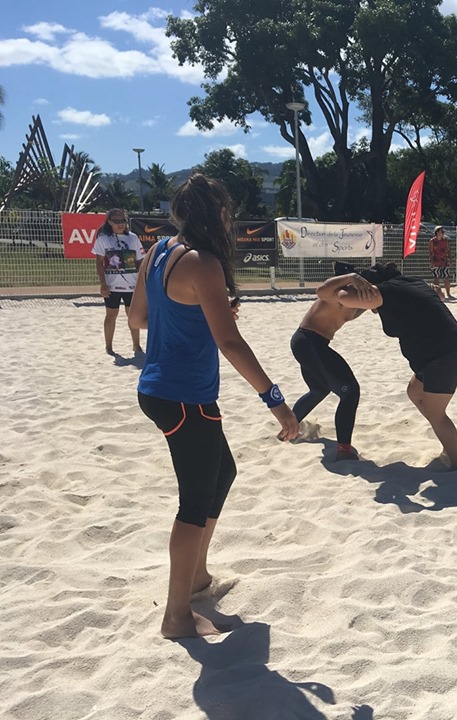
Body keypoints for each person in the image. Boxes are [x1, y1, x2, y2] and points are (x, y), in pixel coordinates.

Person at [129, 173, 299, 639]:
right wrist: (277, 402)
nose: (230, 218)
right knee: (194, 502)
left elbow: (139, 316)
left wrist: (198, 310)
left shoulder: (158, 251)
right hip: (185, 396)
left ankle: (198, 578)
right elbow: (229, 341)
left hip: (161, 390)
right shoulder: (202, 263)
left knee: (223, 472)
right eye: (226, 210)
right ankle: (177, 615)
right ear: (215, 213)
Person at [336, 264, 457, 469]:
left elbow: (343, 297)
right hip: (440, 353)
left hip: (445, 356)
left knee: (436, 414)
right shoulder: (412, 281)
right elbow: (438, 296)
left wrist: (352, 280)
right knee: (414, 392)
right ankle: (449, 442)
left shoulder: (387, 292)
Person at [289, 262, 368, 462]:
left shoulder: (350, 301)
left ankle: (287, 428)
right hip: (308, 341)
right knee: (350, 391)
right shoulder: (332, 294)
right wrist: (351, 277)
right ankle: (343, 449)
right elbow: (321, 289)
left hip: (312, 344)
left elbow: (368, 306)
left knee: (319, 390)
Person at [93, 208, 145, 356]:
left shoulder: (133, 238)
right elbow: (99, 263)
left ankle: (137, 346)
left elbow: (140, 262)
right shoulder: (103, 239)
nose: (120, 224)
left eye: (123, 221)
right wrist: (103, 283)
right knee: (111, 315)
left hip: (132, 285)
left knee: (133, 316)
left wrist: (142, 282)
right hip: (112, 285)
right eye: (116, 221)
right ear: (109, 222)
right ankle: (108, 347)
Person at [428, 226, 453, 300]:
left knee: (446, 277)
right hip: (436, 261)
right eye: (442, 232)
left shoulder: (445, 240)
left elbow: (448, 250)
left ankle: (448, 293)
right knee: (436, 277)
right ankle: (436, 293)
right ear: (437, 232)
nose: (443, 233)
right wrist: (432, 261)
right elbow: (430, 252)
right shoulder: (432, 241)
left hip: (444, 260)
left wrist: (450, 259)